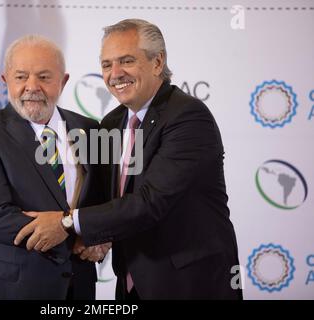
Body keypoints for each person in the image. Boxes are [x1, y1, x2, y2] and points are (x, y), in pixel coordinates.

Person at [14, 19, 243, 300]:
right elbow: (108, 199)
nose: (115, 73)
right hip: (131, 281)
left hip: (190, 282)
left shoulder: (188, 117)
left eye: (127, 61)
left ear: (157, 62)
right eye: (107, 64)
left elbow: (150, 202)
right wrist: (95, 238)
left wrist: (66, 223)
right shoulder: (111, 123)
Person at [0, 35, 108, 300]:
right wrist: (74, 229)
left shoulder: (91, 130)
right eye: (21, 77)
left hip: (78, 286)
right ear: (5, 81)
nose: (31, 87)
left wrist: (101, 236)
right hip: (7, 290)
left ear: (64, 81)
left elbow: (104, 202)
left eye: (44, 77)